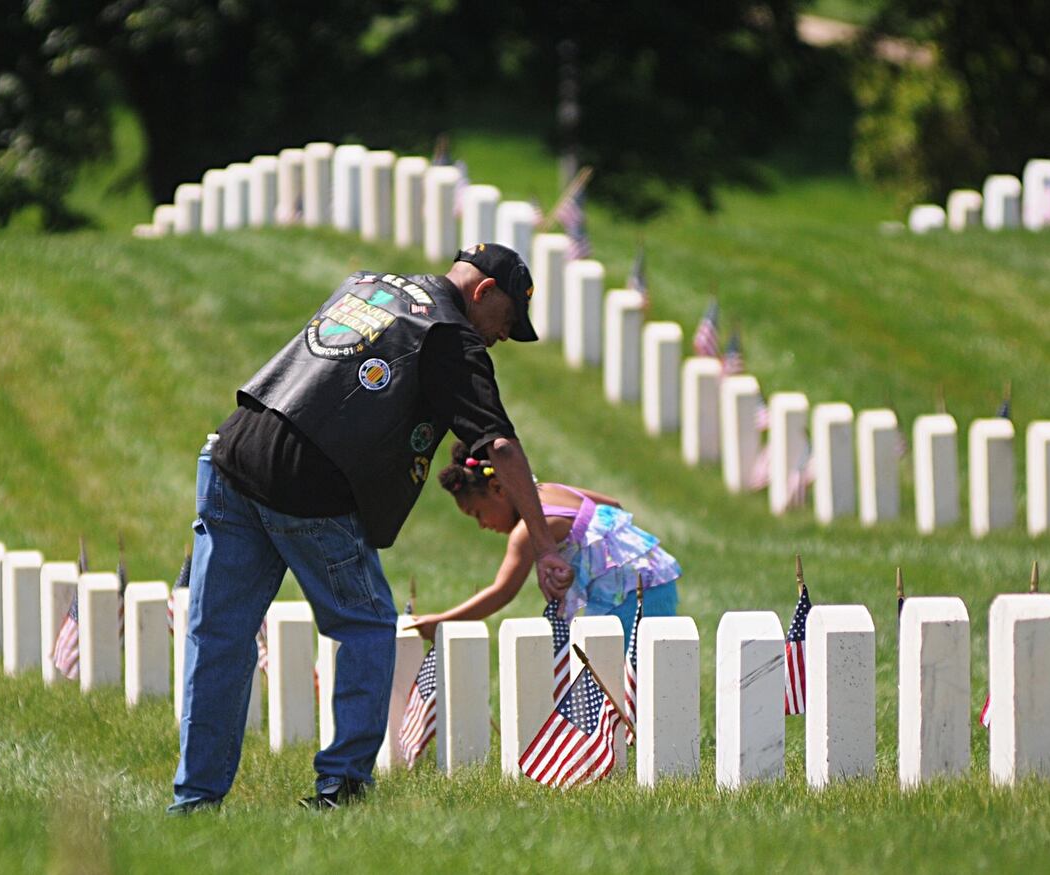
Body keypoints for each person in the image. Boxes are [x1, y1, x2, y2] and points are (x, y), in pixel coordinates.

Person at [171, 243, 575, 814]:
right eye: (507, 321)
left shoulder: (371, 287)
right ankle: (342, 786)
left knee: (219, 639)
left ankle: (195, 800)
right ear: (484, 292)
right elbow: (499, 445)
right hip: (309, 487)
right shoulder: (450, 335)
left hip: (233, 457)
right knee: (366, 627)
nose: (502, 337)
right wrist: (542, 543)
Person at [407, 440, 680, 642]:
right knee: (643, 676)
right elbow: (612, 504)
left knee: (610, 683)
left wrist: (442, 622)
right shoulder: (550, 490)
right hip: (655, 579)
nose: (482, 525)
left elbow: (503, 591)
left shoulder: (526, 533)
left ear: (498, 489)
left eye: (478, 513)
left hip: (624, 597)